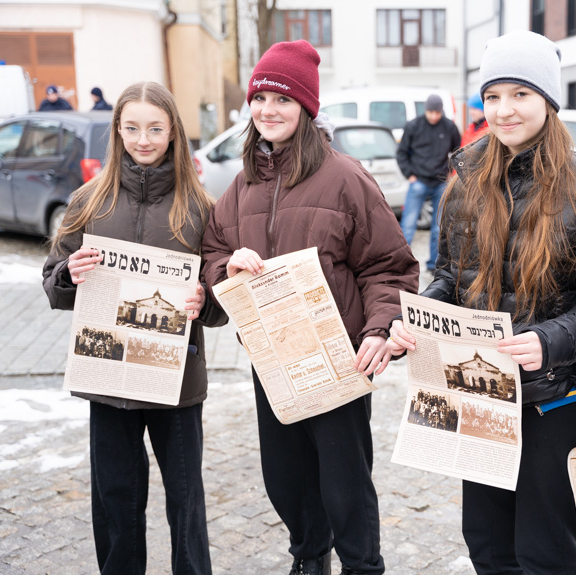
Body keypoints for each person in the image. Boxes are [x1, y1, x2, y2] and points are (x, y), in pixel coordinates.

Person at [386, 31, 576, 574]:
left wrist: (549, 340)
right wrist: (418, 320)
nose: (504, 110)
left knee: (543, 552)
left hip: (553, 401)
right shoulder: (468, 181)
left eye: (520, 94)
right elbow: (449, 276)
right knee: (488, 545)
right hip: (478, 401)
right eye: (493, 96)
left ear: (548, 100)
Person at [200, 40, 419, 575]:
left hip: (337, 359)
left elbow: (388, 266)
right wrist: (226, 268)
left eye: (283, 99)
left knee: (344, 482)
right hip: (273, 361)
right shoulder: (242, 185)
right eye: (260, 98)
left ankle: (362, 565)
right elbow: (212, 252)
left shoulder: (345, 177)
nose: (268, 110)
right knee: (287, 477)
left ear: (306, 107)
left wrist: (378, 328)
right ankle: (309, 559)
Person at [42, 81, 224, 575]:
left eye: (155, 128)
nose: (143, 139)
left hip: (177, 386)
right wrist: (68, 275)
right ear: (117, 131)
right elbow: (52, 279)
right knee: (116, 505)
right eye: (132, 128)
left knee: (186, 507)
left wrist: (205, 300)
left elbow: (222, 298)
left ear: (173, 132)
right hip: (107, 384)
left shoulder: (201, 208)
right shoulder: (89, 201)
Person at [395, 93, 461, 274]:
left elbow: (458, 151)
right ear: (426, 111)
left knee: (438, 228)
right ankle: (400, 264)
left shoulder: (449, 127)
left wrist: (452, 173)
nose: (434, 116)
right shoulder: (414, 126)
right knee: (408, 225)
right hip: (418, 181)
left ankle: (433, 265)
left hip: (440, 183)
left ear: (441, 111)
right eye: (431, 112)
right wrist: (409, 175)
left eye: (437, 112)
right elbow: (401, 152)